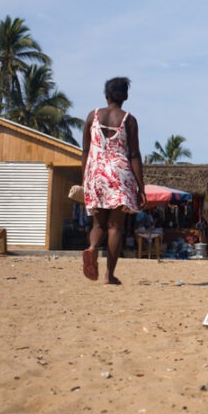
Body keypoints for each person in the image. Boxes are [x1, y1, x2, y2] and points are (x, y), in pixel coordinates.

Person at [81, 77, 147, 284]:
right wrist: (141, 187)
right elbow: (134, 154)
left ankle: (92, 248)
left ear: (106, 95)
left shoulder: (93, 116)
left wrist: (86, 178)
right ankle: (110, 274)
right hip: (120, 173)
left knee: (98, 224)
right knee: (115, 227)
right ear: (125, 97)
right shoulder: (128, 119)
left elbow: (85, 150)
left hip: (96, 173)